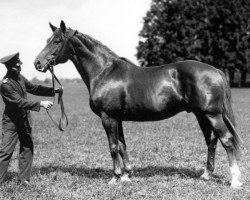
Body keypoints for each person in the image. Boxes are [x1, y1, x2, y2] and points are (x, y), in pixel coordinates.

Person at [0, 52, 59, 185]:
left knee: (27, 147)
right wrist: (40, 104)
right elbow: (19, 102)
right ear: (9, 67)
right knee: (5, 152)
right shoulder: (5, 84)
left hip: (24, 119)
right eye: (16, 66)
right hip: (11, 123)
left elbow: (34, 88)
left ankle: (23, 180)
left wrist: (53, 91)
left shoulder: (20, 77)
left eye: (20, 64)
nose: (19, 67)